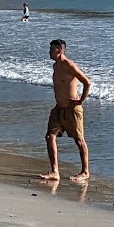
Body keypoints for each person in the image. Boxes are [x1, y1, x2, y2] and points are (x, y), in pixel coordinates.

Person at [44, 38, 92, 183]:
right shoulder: (55, 66)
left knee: (79, 140)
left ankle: (85, 172)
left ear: (59, 50)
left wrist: (80, 101)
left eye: (52, 49)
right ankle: (55, 172)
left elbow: (87, 82)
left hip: (72, 109)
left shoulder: (69, 65)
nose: (49, 52)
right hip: (59, 108)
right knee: (49, 136)